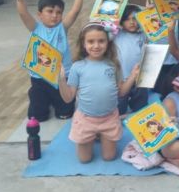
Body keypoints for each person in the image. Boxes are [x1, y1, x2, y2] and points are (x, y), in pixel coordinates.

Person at [58, 22, 140, 163]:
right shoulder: (77, 67)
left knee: (109, 157)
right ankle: (94, 136)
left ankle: (100, 135)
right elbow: (68, 97)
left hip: (109, 118)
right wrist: (61, 80)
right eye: (91, 41)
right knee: (84, 160)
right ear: (83, 44)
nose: (96, 46)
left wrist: (132, 76)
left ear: (107, 43)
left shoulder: (113, 65)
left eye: (101, 41)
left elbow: (121, 92)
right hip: (86, 119)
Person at [14, 0, 87, 121]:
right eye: (50, 11)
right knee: (38, 117)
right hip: (39, 79)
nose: (54, 15)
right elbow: (22, 12)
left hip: (62, 78)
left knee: (65, 114)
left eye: (58, 12)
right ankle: (39, 101)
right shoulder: (35, 28)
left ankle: (58, 102)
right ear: (40, 14)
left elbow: (75, 10)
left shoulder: (62, 27)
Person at [115, 5, 149, 114]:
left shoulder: (142, 35)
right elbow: (107, 24)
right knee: (119, 107)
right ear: (121, 21)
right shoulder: (117, 34)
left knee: (140, 106)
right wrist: (118, 5)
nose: (132, 22)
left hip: (140, 78)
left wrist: (147, 12)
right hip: (122, 79)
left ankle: (137, 112)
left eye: (135, 18)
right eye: (127, 19)